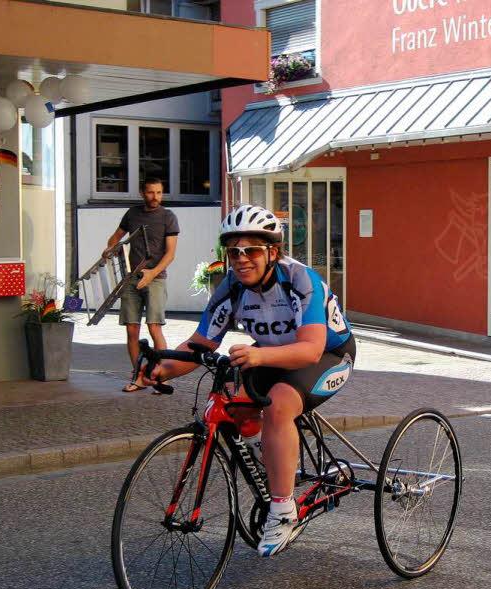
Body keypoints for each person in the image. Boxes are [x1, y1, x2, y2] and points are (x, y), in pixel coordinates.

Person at [142, 205, 355, 557]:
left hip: (329, 355)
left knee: (279, 407)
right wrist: (163, 368)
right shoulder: (232, 289)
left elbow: (310, 350)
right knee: (236, 406)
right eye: (234, 252)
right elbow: (201, 343)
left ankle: (283, 511)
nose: (241, 260)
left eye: (252, 250)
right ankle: (274, 458)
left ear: (272, 252)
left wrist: (258, 356)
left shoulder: (300, 280)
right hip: (271, 353)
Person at [106, 178, 179, 392]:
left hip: (155, 278)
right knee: (131, 329)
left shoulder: (168, 217)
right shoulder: (132, 213)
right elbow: (116, 237)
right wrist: (110, 249)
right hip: (131, 278)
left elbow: (170, 254)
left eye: (159, 192)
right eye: (150, 192)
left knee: (154, 327)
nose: (155, 196)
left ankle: (161, 377)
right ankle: (138, 377)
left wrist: (152, 273)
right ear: (142, 193)